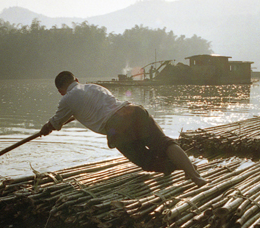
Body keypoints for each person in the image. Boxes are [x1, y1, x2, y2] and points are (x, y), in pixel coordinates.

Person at [40, 71, 207, 187]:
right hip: (133, 110)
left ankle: (180, 167)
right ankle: (193, 173)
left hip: (116, 128)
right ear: (76, 80)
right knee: (163, 143)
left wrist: (45, 129)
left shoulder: (67, 100)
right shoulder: (95, 87)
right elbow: (103, 106)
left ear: (61, 92)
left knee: (147, 162)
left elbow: (55, 123)